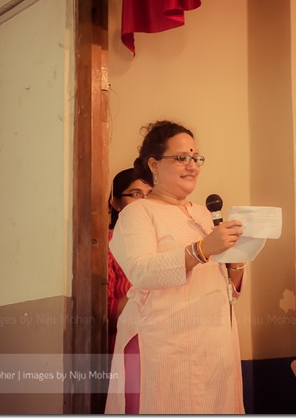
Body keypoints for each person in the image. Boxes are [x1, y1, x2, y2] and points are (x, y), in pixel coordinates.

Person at [104, 120, 248, 414]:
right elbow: (141, 271)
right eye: (181, 157)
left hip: (214, 346)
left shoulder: (204, 214)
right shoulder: (138, 212)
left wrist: (237, 264)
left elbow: (228, 290)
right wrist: (202, 249)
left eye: (196, 158)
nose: (192, 165)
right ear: (154, 164)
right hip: (161, 347)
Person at [107, 168, 152, 354]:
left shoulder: (159, 241)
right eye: (135, 194)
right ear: (116, 202)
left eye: (150, 195)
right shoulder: (107, 244)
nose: (144, 202)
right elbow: (105, 312)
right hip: (125, 342)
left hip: (159, 344)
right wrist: (147, 291)